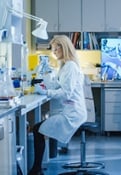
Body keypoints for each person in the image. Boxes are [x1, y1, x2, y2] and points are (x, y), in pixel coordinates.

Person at [29, 35, 87, 175]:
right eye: (52, 49)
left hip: (72, 114)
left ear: (64, 48)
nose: (53, 52)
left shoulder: (70, 66)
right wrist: (46, 79)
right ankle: (36, 169)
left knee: (38, 129)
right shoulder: (65, 65)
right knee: (39, 129)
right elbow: (57, 85)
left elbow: (66, 92)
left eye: (56, 48)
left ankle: (36, 170)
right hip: (69, 110)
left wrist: (47, 92)